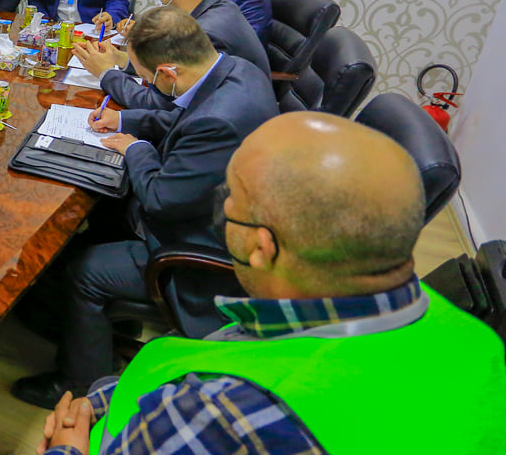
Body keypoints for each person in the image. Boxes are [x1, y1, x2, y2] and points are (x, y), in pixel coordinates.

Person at [36, 112, 506, 455]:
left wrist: (67, 447)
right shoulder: (477, 341)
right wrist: (98, 400)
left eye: (230, 200)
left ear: (262, 247)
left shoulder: (223, 412)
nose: (222, 209)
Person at [12, 7, 278, 409]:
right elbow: (181, 119)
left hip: (204, 250)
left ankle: (79, 385)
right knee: (96, 213)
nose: (149, 86)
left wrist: (135, 149)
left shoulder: (218, 121)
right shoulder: (235, 70)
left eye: (148, 78)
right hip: (221, 211)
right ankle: (89, 326)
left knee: (85, 269)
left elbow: (159, 199)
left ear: (168, 73)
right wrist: (124, 122)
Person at [72, 0, 270, 111]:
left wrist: (106, 73)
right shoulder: (224, 8)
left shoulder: (205, 33)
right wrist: (120, 58)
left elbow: (160, 105)